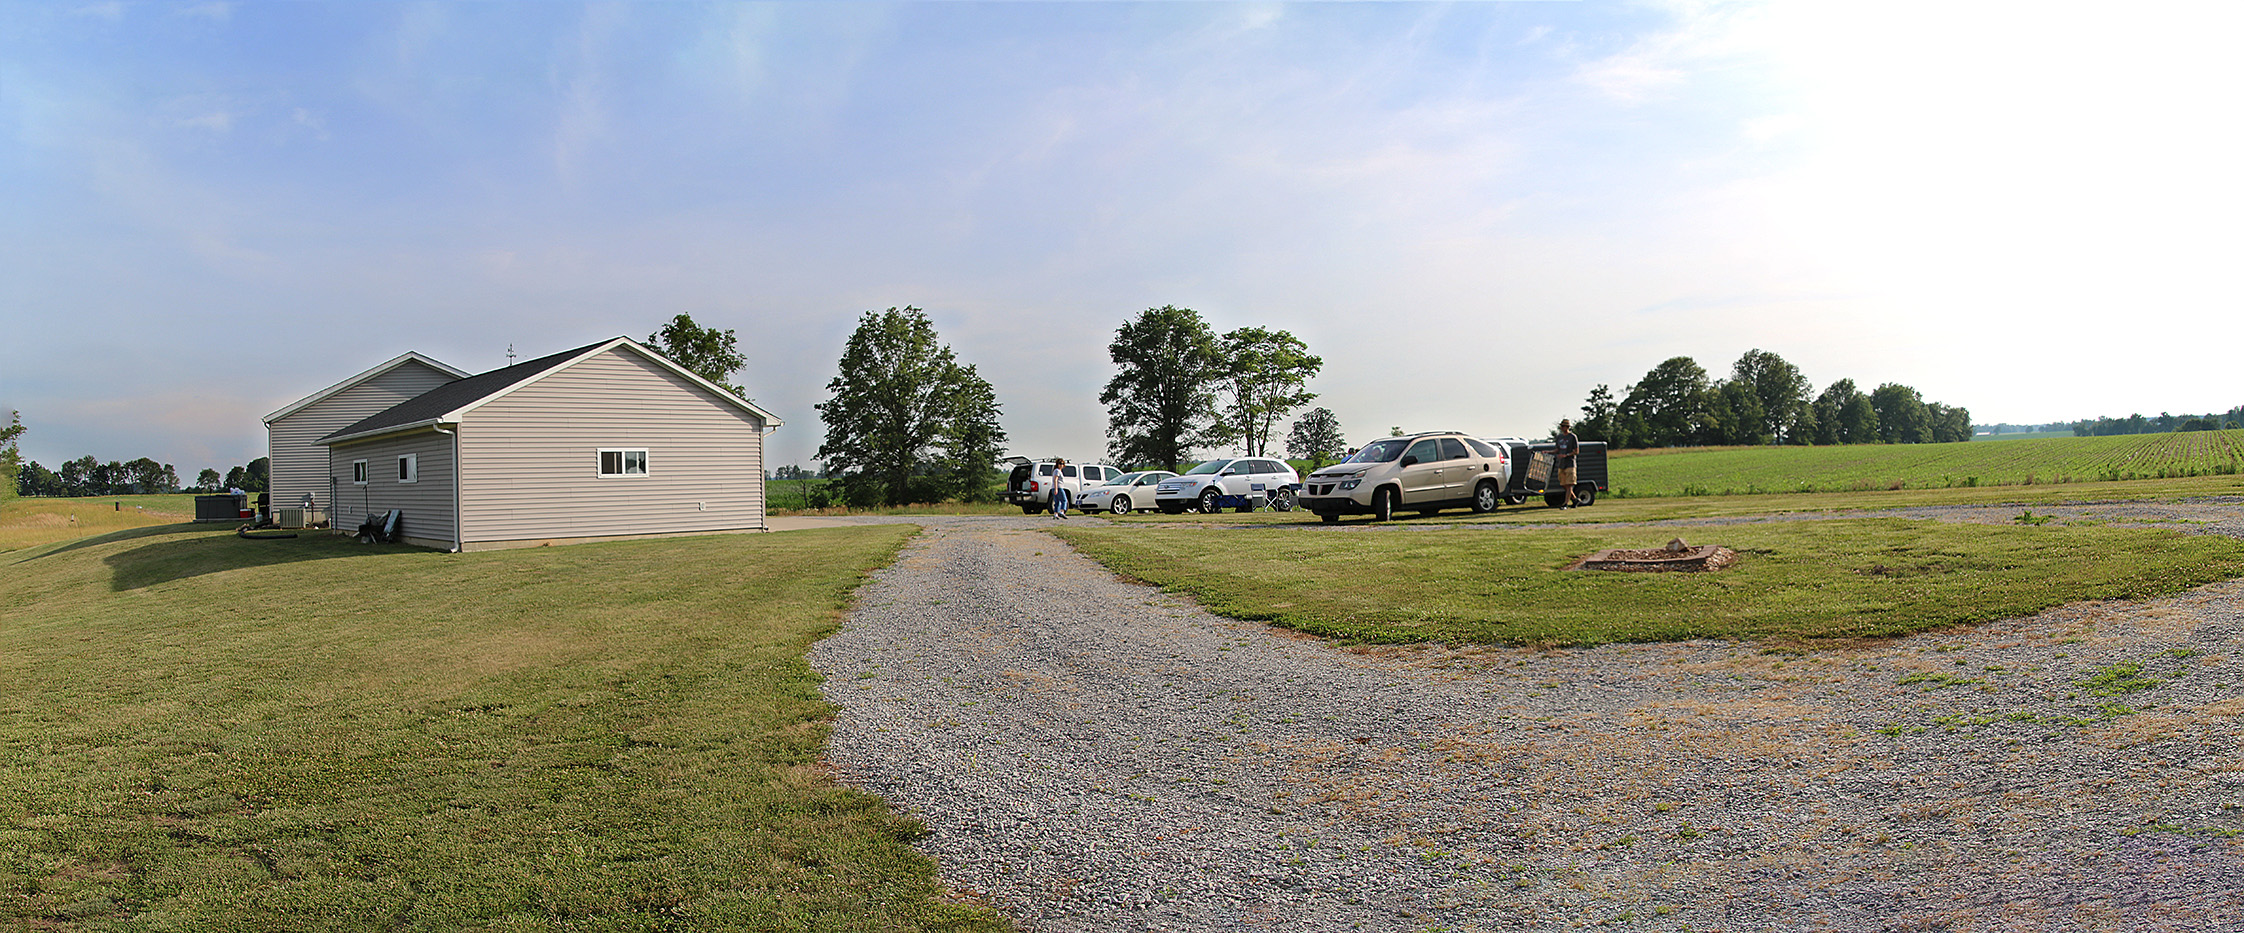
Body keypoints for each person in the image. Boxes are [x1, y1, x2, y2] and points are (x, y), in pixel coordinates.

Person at [1552, 419, 1580, 508]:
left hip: (1570, 464)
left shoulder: (1572, 437)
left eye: (1563, 426)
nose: (1562, 428)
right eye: (1561, 426)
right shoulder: (1559, 437)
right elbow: (1557, 449)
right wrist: (1548, 452)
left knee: (1569, 485)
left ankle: (1565, 504)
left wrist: (1566, 455)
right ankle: (1575, 499)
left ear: (1567, 427)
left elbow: (1576, 451)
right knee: (1563, 484)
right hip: (1561, 464)